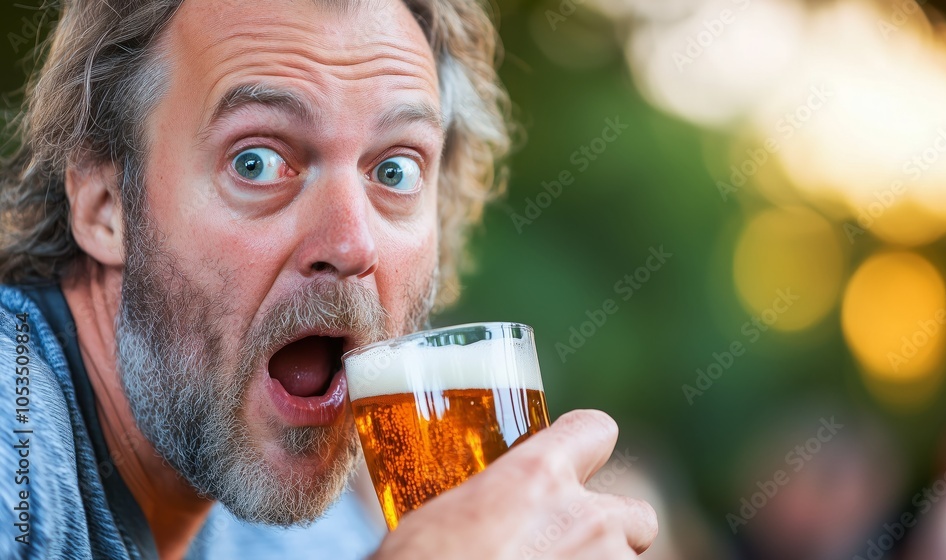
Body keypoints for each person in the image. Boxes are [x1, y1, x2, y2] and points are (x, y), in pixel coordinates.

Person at [0, 0, 658, 558]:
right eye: (257, 160)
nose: (351, 244)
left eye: (395, 171)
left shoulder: (295, 533)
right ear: (104, 205)